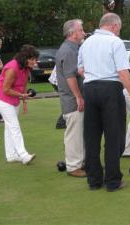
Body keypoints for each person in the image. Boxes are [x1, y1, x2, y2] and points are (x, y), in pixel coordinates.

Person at [78, 13, 130, 191]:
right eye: (119, 28)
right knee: (114, 137)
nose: (118, 32)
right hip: (111, 90)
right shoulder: (115, 42)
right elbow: (123, 72)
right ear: (114, 26)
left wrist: (95, 75)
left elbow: (80, 69)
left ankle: (94, 181)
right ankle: (113, 181)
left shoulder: (86, 42)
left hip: (89, 89)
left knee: (91, 137)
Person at [0, 44, 38, 164]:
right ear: (25, 58)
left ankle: (11, 155)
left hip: (15, 97)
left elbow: (23, 84)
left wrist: (24, 100)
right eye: (32, 59)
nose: (35, 62)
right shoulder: (12, 68)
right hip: (2, 97)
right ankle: (23, 155)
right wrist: (21, 96)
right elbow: (5, 89)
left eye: (35, 59)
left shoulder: (26, 67)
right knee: (14, 125)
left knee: (9, 126)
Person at [55, 19, 86, 177]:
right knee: (74, 134)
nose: (83, 32)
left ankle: (79, 162)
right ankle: (73, 167)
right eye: (81, 30)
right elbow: (70, 77)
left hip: (74, 99)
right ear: (72, 33)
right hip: (72, 100)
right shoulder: (68, 50)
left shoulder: (74, 48)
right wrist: (79, 97)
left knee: (79, 133)